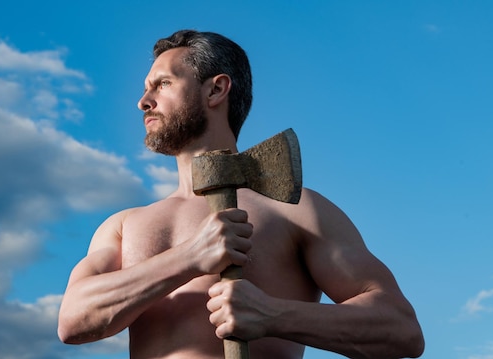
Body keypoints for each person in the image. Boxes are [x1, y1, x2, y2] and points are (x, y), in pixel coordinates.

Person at [57, 29, 424, 359]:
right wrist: (188, 258)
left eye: (163, 84)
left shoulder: (294, 210)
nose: (143, 101)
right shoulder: (124, 226)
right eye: (146, 88)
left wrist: (272, 314)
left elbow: (400, 329)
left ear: (215, 89)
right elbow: (72, 322)